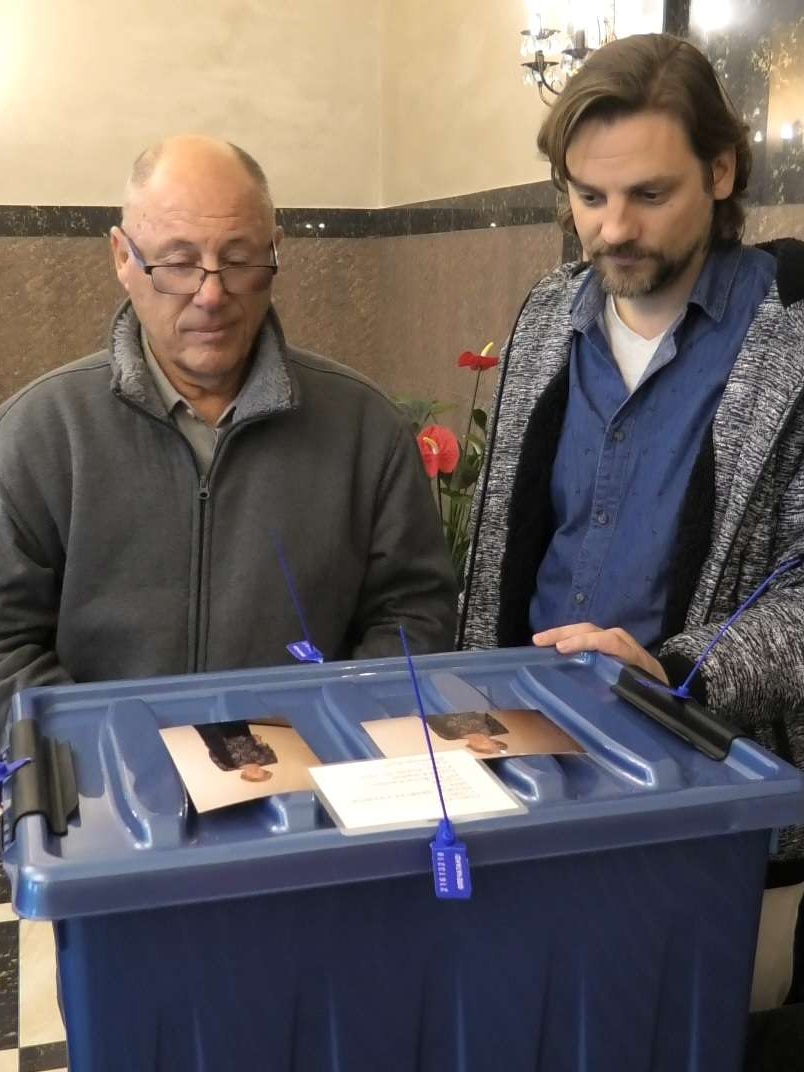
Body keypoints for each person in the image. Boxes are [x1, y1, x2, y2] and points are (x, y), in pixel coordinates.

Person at [459, 33, 804, 1010]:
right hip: (524, 777)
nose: (611, 228)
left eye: (649, 195)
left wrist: (675, 669)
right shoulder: (545, 314)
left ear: (723, 169)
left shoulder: (791, 338)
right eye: (587, 194)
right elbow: (503, 560)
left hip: (709, 804)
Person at [0, 135, 457, 728]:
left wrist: (324, 726)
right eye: (178, 262)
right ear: (121, 257)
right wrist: (116, 744)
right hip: (105, 793)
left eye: (238, 259)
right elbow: (7, 645)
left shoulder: (366, 429)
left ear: (276, 252)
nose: (210, 294)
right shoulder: (38, 433)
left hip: (311, 783)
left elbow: (413, 616)